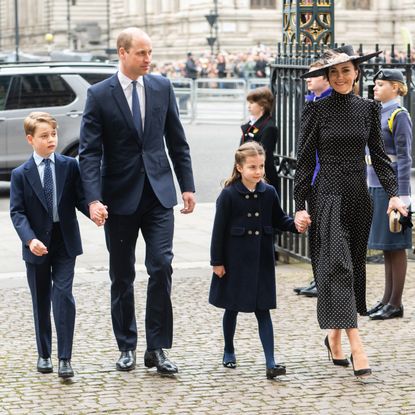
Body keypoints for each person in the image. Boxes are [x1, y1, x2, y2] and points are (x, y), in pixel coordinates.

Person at [79, 27, 196, 375]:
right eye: (142, 53)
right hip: (118, 198)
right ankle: (126, 346)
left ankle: (157, 347)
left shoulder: (162, 87)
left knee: (161, 266)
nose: (148, 59)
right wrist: (93, 200)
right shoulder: (99, 95)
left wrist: (186, 186)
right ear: (122, 53)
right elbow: (89, 153)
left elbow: (178, 141)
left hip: (159, 195)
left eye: (150, 53)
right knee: (122, 274)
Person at [294, 49, 407, 378]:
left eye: (346, 71)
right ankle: (358, 346)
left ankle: (333, 337)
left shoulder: (369, 110)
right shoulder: (315, 111)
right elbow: (303, 163)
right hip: (327, 195)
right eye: (334, 73)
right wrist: (300, 206)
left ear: (356, 72)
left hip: (359, 198)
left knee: (352, 268)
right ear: (327, 78)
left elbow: (380, 159)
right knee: (339, 266)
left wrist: (395, 195)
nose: (340, 77)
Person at [209, 142, 305, 379]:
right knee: (231, 308)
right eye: (253, 167)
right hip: (235, 262)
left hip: (261, 262)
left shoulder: (269, 192)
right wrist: (217, 262)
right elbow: (218, 231)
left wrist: (296, 224)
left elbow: (280, 219)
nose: (258, 171)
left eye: (261, 166)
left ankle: (271, 362)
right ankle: (229, 348)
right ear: (240, 168)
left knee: (263, 310)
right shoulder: (229, 195)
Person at [10, 112, 88, 379]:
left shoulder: (69, 166)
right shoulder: (21, 174)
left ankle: (65, 358)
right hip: (36, 244)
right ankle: (44, 354)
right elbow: (17, 212)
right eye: (44, 136)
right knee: (41, 299)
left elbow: (80, 198)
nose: (51, 139)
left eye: (53, 134)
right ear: (31, 139)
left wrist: (94, 209)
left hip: (65, 240)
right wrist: (30, 239)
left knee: (62, 295)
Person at [367, 69, 412, 320]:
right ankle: (387, 298)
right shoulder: (378, 112)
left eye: (381, 84)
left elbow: (405, 157)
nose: (375, 87)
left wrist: (403, 194)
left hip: (392, 188)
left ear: (395, 87)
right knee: (386, 246)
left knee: (396, 245)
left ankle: (395, 303)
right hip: (375, 183)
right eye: (375, 84)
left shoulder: (398, 115)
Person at [294, 59, 332, 298]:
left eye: (313, 75)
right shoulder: (314, 102)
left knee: (326, 234)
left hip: (324, 176)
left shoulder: (328, 102)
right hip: (313, 175)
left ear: (326, 78)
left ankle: (324, 280)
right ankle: (318, 277)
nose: (308, 78)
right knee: (316, 233)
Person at [240, 86, 279, 195]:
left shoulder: (269, 127)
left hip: (261, 179)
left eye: (252, 103)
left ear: (262, 105)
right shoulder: (253, 124)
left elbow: (262, 157)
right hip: (248, 175)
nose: (249, 106)